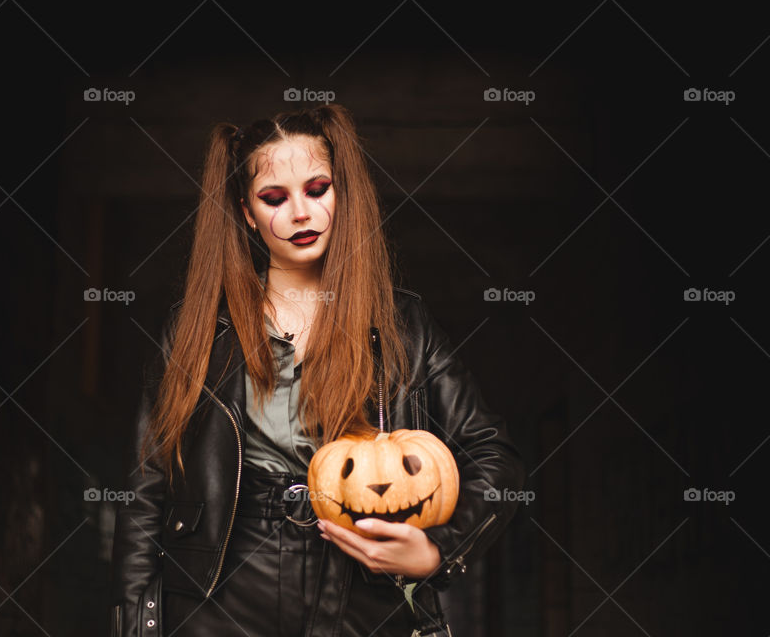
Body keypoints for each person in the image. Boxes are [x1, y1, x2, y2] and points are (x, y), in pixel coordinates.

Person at [109, 103, 525, 637]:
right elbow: (146, 492)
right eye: (274, 199)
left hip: (360, 596)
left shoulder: (404, 324)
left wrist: (438, 552)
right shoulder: (193, 333)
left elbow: (494, 455)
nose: (300, 213)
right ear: (245, 212)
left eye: (318, 189)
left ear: (342, 193)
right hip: (216, 598)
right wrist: (133, 627)